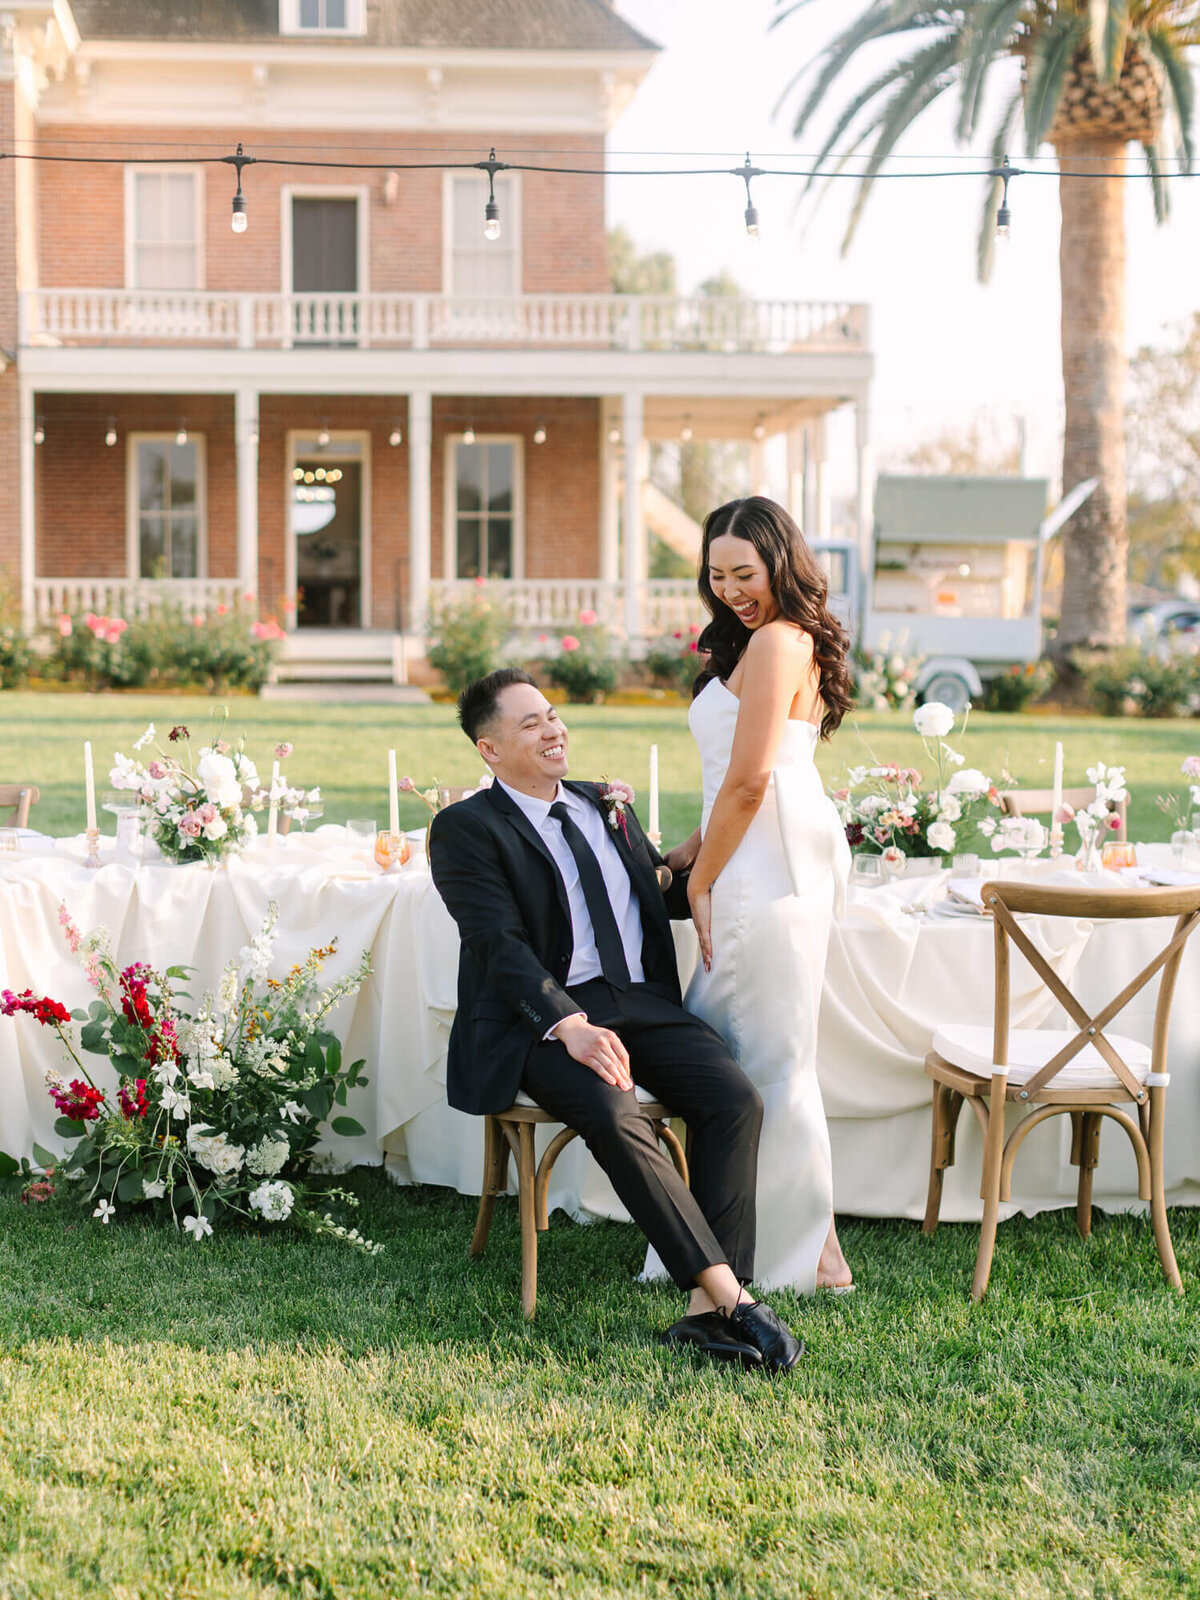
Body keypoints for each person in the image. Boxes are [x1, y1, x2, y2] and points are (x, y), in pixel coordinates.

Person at [429, 667, 804, 1372]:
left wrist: (701, 860)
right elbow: (497, 945)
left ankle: (702, 1316)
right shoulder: (465, 829)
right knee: (614, 1107)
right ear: (489, 749)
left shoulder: (607, 804)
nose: (553, 730)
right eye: (530, 724)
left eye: (553, 715)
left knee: (734, 1100)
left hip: (642, 1001)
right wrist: (566, 1023)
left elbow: (645, 895)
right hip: (537, 1020)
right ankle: (734, 1299)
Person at [661, 496, 855, 1294]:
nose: (733, 589)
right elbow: (731, 792)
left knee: (766, 1062)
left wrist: (701, 881)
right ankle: (777, 1246)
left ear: (782, 562)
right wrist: (677, 861)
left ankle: (808, 1255)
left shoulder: (780, 640)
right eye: (717, 576)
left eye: (746, 572)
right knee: (746, 1059)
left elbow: (749, 783)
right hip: (752, 857)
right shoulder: (759, 639)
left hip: (760, 873)